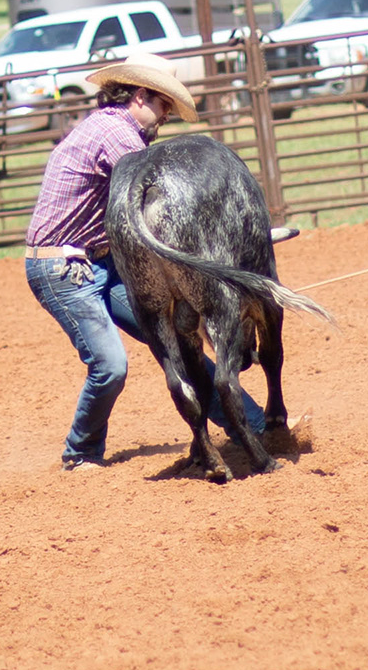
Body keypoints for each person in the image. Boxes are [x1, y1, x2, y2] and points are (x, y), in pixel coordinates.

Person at [21, 56, 266, 470]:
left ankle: (254, 424)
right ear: (139, 96)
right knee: (110, 366)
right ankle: (80, 452)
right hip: (63, 269)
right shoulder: (118, 136)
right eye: (164, 104)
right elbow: (164, 193)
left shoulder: (110, 128)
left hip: (100, 260)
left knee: (180, 341)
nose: (166, 115)